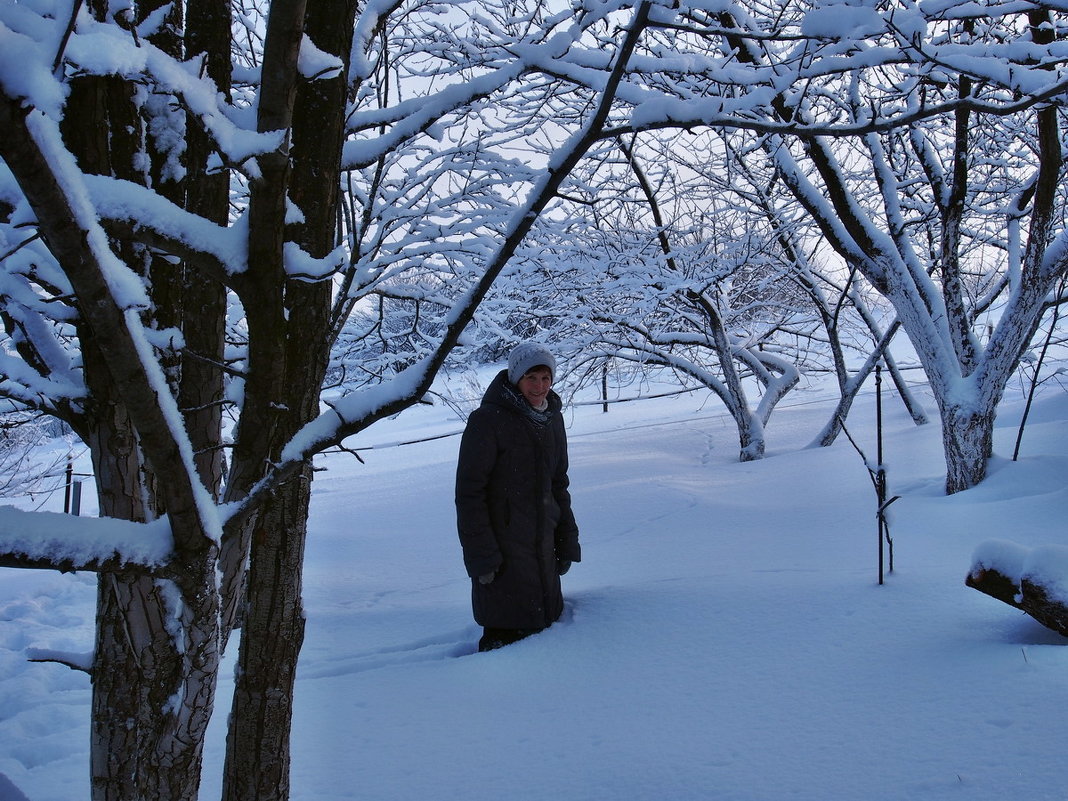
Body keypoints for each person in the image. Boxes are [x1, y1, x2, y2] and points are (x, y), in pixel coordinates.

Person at [455, 342, 581, 652]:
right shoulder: (488, 420)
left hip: (543, 546)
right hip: (503, 552)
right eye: (531, 378)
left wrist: (567, 539)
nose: (539, 387)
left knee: (547, 639)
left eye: (545, 378)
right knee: (505, 644)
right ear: (515, 378)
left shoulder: (552, 419)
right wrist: (482, 556)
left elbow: (558, 483)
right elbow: (470, 494)